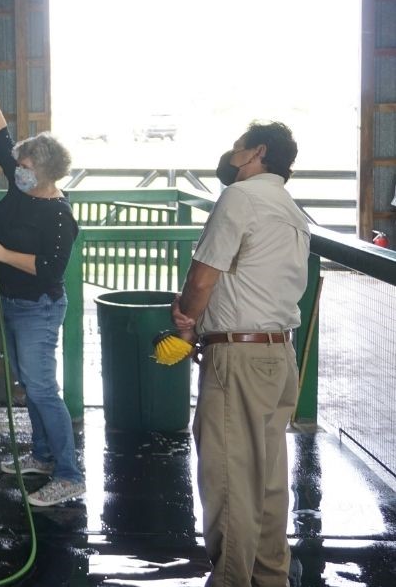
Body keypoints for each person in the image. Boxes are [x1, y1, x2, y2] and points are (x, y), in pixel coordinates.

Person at [171, 121, 310, 587]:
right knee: (268, 484)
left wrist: (187, 321)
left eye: (237, 147)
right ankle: (271, 579)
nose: (230, 154)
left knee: (229, 480)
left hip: (239, 360)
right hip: (278, 358)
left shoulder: (240, 197)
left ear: (257, 153)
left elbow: (203, 276)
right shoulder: (290, 208)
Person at [0, 77, 85, 507]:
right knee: (29, 383)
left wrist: (2, 253)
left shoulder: (58, 217)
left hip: (38, 308)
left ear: (44, 172)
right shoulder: (22, 187)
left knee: (41, 389)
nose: (17, 165)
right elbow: (1, 138)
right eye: (20, 161)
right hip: (11, 302)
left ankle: (70, 475)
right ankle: (42, 456)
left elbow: (50, 269)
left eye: (26, 163)